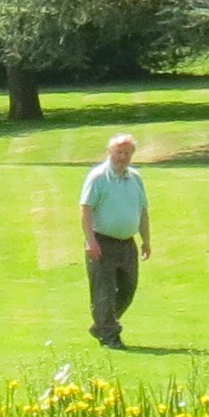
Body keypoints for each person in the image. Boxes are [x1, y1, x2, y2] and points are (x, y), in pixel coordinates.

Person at [78, 133, 151, 348]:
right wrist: (90, 241)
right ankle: (110, 336)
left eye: (127, 153)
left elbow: (142, 211)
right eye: (119, 152)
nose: (122, 157)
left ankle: (102, 325)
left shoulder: (135, 178)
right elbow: (86, 210)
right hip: (102, 242)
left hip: (127, 243)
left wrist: (146, 240)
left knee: (128, 289)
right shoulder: (98, 177)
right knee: (104, 292)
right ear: (110, 152)